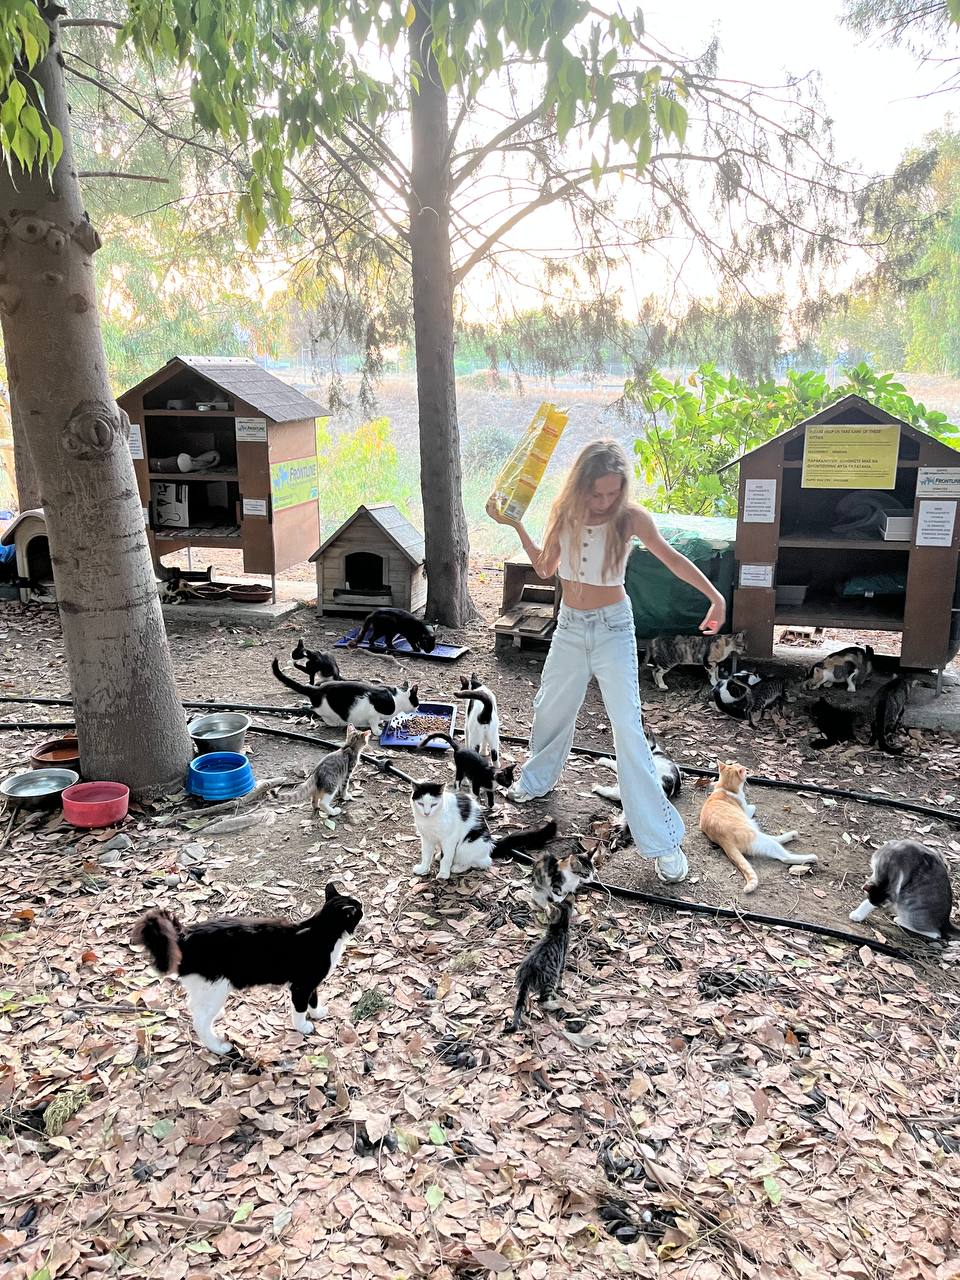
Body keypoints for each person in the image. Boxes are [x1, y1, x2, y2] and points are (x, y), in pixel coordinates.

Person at [486, 439, 726, 883]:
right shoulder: (564, 512)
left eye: (612, 492)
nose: (604, 501)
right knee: (550, 706)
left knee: (627, 730)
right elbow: (545, 567)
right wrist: (515, 524)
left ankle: (662, 842)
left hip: (613, 627)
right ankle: (536, 780)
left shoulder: (631, 517)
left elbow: (672, 559)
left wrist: (714, 596)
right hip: (570, 626)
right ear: (581, 484)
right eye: (596, 493)